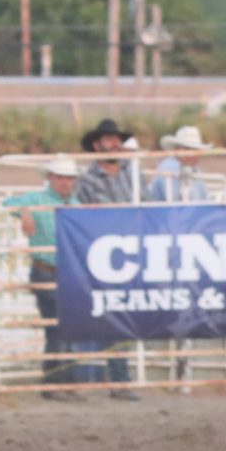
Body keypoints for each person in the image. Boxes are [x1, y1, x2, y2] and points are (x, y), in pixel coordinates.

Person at [3, 155, 87, 401]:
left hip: (68, 273)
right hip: (46, 270)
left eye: (68, 178)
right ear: (50, 179)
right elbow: (6, 203)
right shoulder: (37, 200)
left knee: (63, 327)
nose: (64, 182)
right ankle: (57, 382)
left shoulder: (76, 205)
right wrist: (25, 211)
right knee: (58, 326)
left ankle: (63, 381)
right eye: (60, 177)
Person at [74, 118, 141, 400]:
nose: (114, 143)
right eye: (108, 139)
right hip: (101, 253)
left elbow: (147, 206)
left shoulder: (133, 174)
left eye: (116, 139)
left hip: (130, 252)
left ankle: (116, 378)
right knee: (104, 316)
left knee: (120, 318)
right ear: (97, 144)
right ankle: (104, 378)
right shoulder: (87, 181)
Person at [149, 125, 213, 203]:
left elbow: (204, 198)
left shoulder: (195, 170)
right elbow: (178, 201)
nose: (193, 154)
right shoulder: (169, 168)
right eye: (188, 149)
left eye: (196, 150)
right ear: (177, 149)